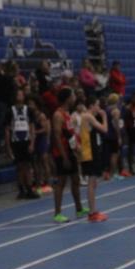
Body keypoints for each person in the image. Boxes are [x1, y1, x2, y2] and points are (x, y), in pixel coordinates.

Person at [51, 88, 85, 223]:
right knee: (61, 182)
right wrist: (64, 156)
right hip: (61, 153)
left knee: (76, 179)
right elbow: (57, 137)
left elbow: (70, 134)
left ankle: (79, 208)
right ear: (67, 98)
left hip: (70, 151)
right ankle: (57, 213)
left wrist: (76, 148)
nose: (74, 98)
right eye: (73, 95)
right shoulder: (58, 115)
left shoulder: (67, 113)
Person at [76, 100, 108, 221]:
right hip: (89, 152)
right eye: (97, 105)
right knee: (91, 182)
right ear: (91, 106)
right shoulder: (88, 116)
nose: (99, 107)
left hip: (89, 150)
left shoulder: (84, 116)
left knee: (93, 182)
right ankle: (92, 213)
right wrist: (104, 116)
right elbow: (104, 129)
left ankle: (93, 210)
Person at [5, 89, 39, 200]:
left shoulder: (28, 110)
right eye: (18, 94)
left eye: (22, 94)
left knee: (28, 166)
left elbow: (32, 127)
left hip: (26, 140)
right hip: (16, 142)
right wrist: (8, 146)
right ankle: (21, 189)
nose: (20, 96)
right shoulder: (10, 111)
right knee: (19, 166)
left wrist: (32, 143)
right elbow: (7, 129)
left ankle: (29, 188)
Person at [30, 96, 53, 194]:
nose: (29, 106)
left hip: (41, 140)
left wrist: (34, 132)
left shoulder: (41, 115)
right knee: (37, 163)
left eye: (31, 104)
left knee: (44, 161)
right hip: (35, 140)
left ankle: (48, 183)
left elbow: (45, 129)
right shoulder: (31, 116)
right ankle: (39, 183)